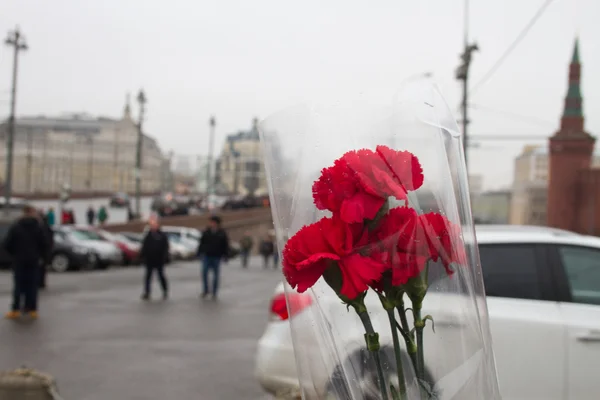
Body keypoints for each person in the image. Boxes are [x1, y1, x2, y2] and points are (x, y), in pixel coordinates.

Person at [3, 205, 50, 319]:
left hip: (19, 260)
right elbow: (44, 244)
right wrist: (43, 258)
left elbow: (7, 243)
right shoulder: (38, 227)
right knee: (32, 285)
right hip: (34, 260)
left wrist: (14, 254)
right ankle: (32, 309)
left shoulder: (16, 227)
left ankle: (16, 309)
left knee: (19, 285)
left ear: (23, 213)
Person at [197, 216, 229, 299]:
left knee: (216, 275)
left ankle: (214, 292)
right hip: (207, 255)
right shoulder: (206, 232)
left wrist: (225, 255)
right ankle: (206, 290)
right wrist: (199, 252)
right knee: (204, 273)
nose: (211, 224)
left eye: (213, 222)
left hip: (216, 256)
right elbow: (202, 243)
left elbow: (225, 245)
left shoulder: (222, 233)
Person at [140, 216, 170, 300]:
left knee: (161, 276)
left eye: (155, 225)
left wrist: (165, 257)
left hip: (159, 260)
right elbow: (144, 247)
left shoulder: (162, 235)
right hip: (150, 260)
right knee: (148, 277)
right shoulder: (148, 235)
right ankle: (147, 292)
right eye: (152, 225)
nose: (153, 226)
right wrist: (143, 256)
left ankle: (165, 291)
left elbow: (165, 247)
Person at [37, 210, 54, 290]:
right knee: (42, 268)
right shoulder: (46, 227)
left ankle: (40, 283)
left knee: (41, 268)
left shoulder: (41, 227)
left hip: (42, 251)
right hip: (45, 250)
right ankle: (41, 283)